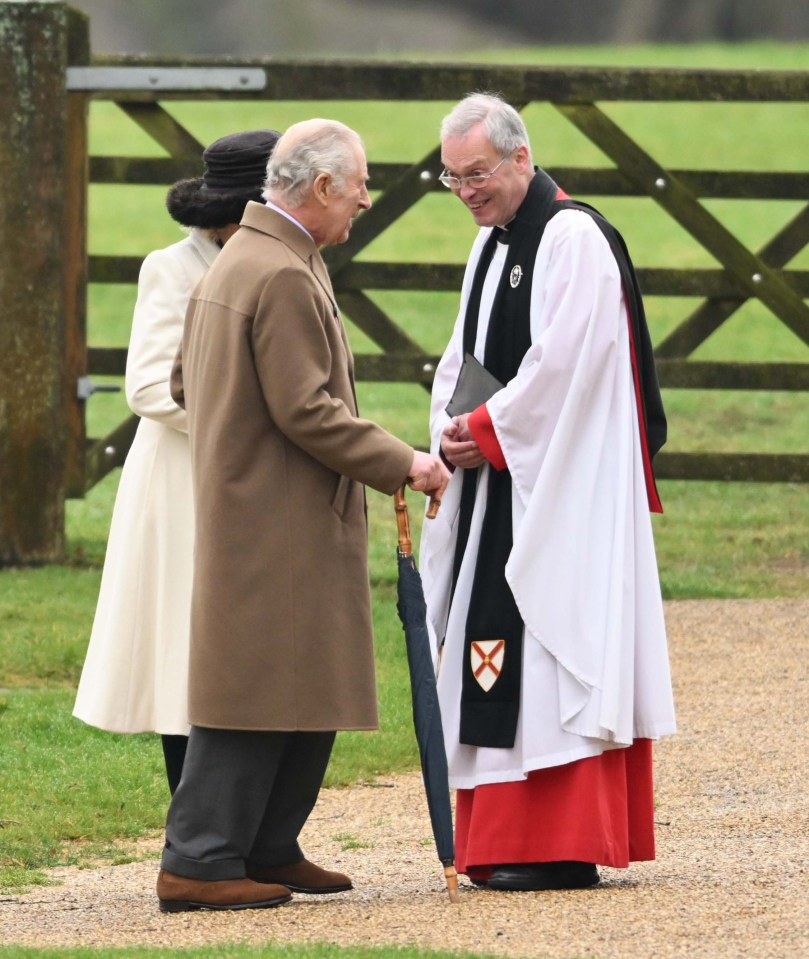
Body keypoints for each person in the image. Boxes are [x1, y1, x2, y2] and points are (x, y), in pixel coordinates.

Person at [156, 118, 449, 913]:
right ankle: (200, 860)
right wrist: (407, 462)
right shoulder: (280, 272)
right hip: (276, 518)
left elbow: (187, 384)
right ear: (319, 187)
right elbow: (307, 410)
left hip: (258, 508)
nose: (362, 201)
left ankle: (266, 844)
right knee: (255, 689)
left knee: (300, 685)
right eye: (356, 187)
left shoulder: (243, 261)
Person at [419, 93, 677, 891]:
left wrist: (489, 426)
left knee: (549, 643)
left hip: (558, 485)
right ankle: (501, 836)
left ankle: (558, 838)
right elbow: (463, 355)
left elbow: (569, 365)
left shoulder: (572, 238)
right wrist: (453, 427)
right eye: (452, 178)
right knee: (493, 649)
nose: (466, 191)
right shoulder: (490, 245)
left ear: (521, 158)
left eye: (479, 174)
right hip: (500, 473)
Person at [73, 130, 281, 794]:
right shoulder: (172, 267)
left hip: (254, 491)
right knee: (182, 654)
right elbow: (148, 387)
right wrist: (256, 427)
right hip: (182, 488)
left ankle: (251, 835)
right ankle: (193, 837)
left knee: (251, 652)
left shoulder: (281, 264)